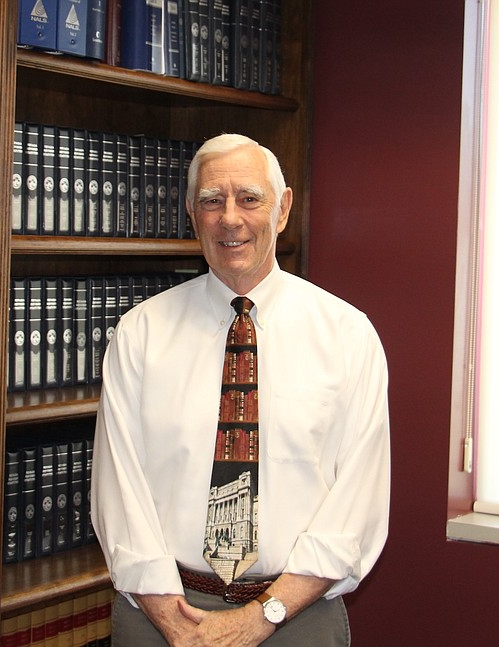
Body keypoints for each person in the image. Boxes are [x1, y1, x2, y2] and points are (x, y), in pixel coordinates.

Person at [91, 133, 390, 646]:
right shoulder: (140, 334)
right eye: (212, 201)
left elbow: (357, 503)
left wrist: (262, 617)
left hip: (296, 616)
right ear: (192, 212)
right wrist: (172, 621)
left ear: (282, 210)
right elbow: (119, 488)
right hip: (160, 615)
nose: (230, 218)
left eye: (250, 198)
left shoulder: (347, 335)